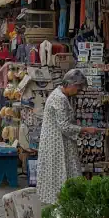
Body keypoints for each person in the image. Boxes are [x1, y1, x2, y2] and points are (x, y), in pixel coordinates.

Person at [37, 69, 99, 204]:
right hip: (57, 144)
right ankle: (62, 205)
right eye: (78, 87)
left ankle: (62, 204)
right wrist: (86, 129)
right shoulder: (59, 99)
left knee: (62, 174)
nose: (78, 91)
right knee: (61, 175)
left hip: (58, 142)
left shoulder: (60, 96)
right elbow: (64, 126)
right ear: (71, 84)